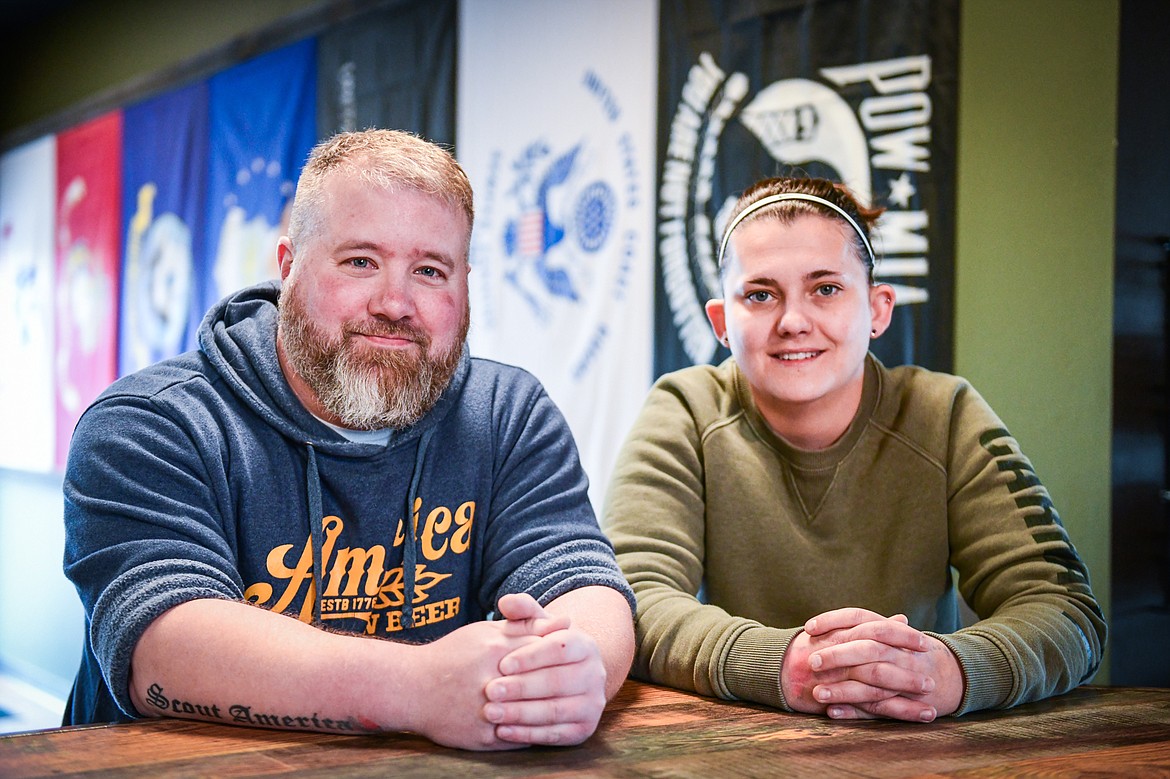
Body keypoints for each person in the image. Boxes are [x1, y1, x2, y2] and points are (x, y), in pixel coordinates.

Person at [63, 129, 636, 750]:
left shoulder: (508, 414)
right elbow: (160, 648)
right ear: (288, 268)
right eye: (360, 261)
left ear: (465, 287)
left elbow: (582, 581)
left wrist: (580, 670)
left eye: (430, 270)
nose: (395, 302)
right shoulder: (152, 423)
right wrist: (418, 688)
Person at [603, 176, 1106, 723]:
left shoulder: (945, 414)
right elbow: (630, 600)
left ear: (878, 309)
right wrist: (782, 665)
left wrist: (947, 670)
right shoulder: (684, 408)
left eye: (825, 289)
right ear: (722, 322)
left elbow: (1064, 608)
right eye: (760, 294)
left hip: (916, 743)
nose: (794, 322)